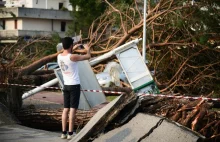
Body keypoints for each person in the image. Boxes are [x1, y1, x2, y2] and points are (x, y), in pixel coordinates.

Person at [57, 37, 91, 140]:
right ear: (71, 46)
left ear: (63, 46)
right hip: (74, 85)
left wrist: (73, 48)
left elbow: (66, 52)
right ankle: (70, 133)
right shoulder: (73, 57)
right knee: (72, 110)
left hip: (66, 85)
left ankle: (63, 133)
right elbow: (88, 56)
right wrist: (87, 48)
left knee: (65, 110)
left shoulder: (59, 56)